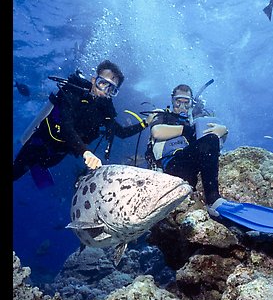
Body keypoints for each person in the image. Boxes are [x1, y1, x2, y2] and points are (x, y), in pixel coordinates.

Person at [13, 60, 155, 187]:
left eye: (111, 89)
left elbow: (121, 133)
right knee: (16, 172)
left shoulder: (104, 110)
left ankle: (38, 166)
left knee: (44, 163)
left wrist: (145, 123)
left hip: (61, 152)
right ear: (94, 80)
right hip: (40, 142)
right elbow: (65, 125)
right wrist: (85, 152)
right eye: (102, 83)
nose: (104, 91)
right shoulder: (73, 92)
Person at [146, 83, 229, 216]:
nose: (182, 107)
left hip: (190, 169)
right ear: (172, 101)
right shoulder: (164, 116)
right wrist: (185, 129)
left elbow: (213, 147)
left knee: (211, 139)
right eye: (178, 102)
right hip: (170, 168)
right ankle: (212, 200)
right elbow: (156, 132)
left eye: (186, 103)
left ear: (192, 103)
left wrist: (224, 131)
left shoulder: (196, 122)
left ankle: (212, 203)